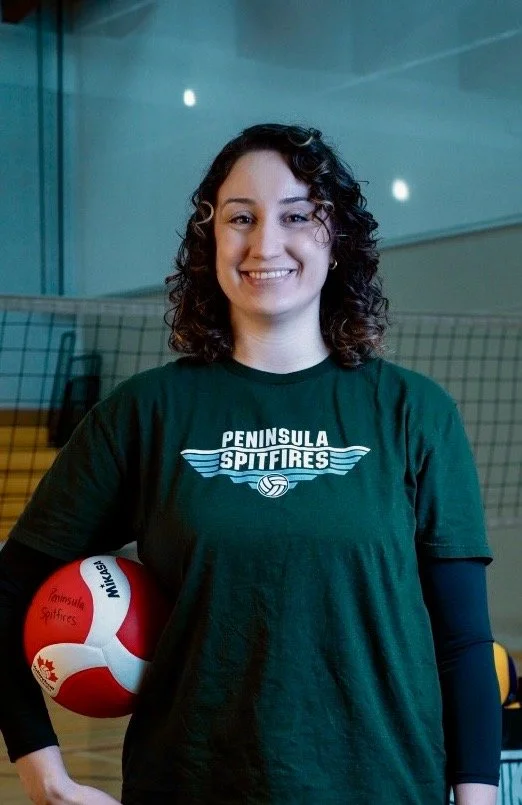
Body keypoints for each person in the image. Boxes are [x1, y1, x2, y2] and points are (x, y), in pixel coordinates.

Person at [0, 123, 501, 804]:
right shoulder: (146, 413)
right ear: (211, 239)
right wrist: (47, 777)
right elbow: (5, 597)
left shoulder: (415, 412)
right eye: (241, 217)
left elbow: (464, 642)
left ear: (337, 237)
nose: (266, 243)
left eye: (296, 215)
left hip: (385, 787)